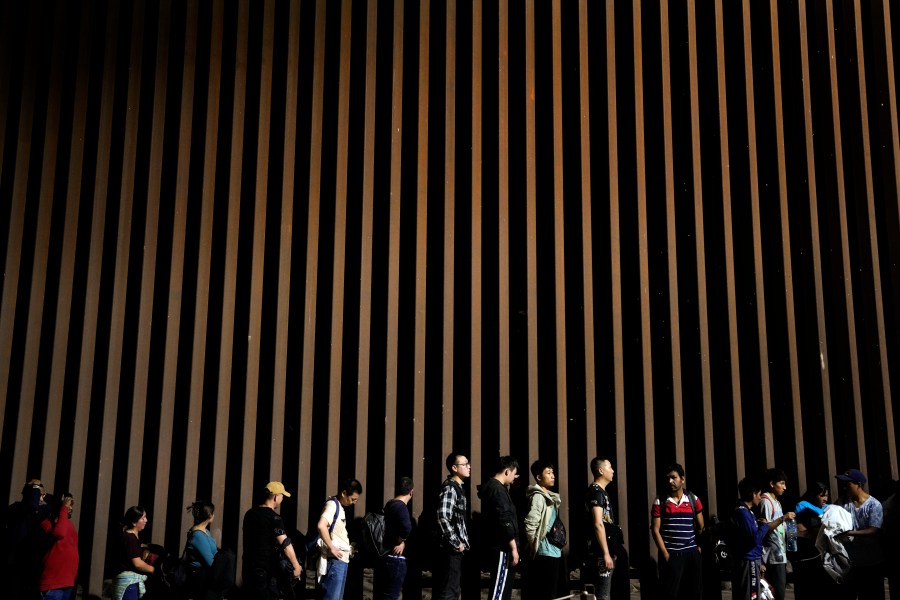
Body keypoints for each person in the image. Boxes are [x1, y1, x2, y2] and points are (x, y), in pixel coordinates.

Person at [729, 478, 792, 600]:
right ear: (753, 494)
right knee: (750, 595)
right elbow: (754, 539)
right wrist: (764, 526)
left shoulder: (748, 512)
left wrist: (761, 561)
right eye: (759, 494)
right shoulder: (743, 513)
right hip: (749, 560)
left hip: (753, 559)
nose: (760, 497)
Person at [650, 463, 704, 600]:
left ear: (682, 479)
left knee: (693, 593)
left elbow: (701, 527)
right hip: (672, 555)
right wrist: (666, 554)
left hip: (691, 555)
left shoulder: (693, 499)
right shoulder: (660, 501)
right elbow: (655, 530)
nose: (670, 481)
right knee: (671, 594)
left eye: (674, 478)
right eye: (668, 478)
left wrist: (698, 547)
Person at [242, 482, 302, 600]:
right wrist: (296, 566)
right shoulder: (274, 518)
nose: (282, 499)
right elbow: (285, 543)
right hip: (264, 572)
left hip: (248, 569)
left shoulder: (249, 514)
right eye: (282, 496)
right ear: (276, 497)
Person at [835, 468, 885, 599]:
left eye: (848, 484)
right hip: (850, 564)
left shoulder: (874, 505)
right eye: (843, 484)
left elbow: (874, 530)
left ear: (859, 484)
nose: (845, 487)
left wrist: (850, 533)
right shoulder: (842, 503)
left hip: (871, 563)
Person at [477, 456, 520, 600]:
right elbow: (504, 519)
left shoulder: (495, 488)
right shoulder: (498, 490)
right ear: (507, 471)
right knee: (499, 592)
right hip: (503, 547)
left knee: (501, 590)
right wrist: (513, 547)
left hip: (500, 545)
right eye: (514, 473)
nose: (515, 477)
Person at [3, 479, 52, 598]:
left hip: (31, 563)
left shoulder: (40, 511)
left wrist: (41, 494)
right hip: (17, 561)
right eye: (37, 493)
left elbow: (51, 506)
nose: (39, 498)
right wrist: (35, 488)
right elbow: (31, 506)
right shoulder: (16, 508)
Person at [524, 459, 564, 600]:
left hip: (553, 551)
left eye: (553, 472)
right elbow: (530, 524)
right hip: (544, 552)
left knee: (551, 592)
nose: (553, 475)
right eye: (548, 473)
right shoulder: (538, 497)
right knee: (546, 593)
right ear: (539, 477)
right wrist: (534, 545)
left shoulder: (548, 496)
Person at [317, 478, 363, 600]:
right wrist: (331, 547)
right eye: (352, 499)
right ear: (344, 493)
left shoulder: (339, 507)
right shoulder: (332, 505)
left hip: (340, 560)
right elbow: (321, 526)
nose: (354, 502)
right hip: (335, 561)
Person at [434, 452, 471, 600]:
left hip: (455, 551)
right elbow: (442, 517)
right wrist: (456, 542)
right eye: (465, 464)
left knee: (453, 591)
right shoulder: (450, 489)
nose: (469, 466)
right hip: (451, 550)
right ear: (454, 468)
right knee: (449, 593)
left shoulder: (458, 488)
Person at [585, 457, 623, 600]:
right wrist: (606, 553)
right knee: (603, 593)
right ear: (601, 470)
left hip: (606, 548)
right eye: (610, 467)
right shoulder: (596, 492)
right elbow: (598, 523)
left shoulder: (601, 491)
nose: (612, 470)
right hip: (601, 551)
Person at [374, 477, 414, 600]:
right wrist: (402, 540)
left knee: (384, 594)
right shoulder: (401, 507)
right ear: (411, 492)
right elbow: (406, 527)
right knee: (391, 595)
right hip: (396, 558)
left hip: (385, 555)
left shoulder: (389, 504)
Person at [759, 468, 796, 600]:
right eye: (781, 483)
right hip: (772, 557)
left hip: (780, 555)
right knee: (776, 594)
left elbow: (780, 528)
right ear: (771, 484)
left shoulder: (777, 502)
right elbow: (765, 528)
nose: (784, 487)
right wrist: (784, 517)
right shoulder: (765, 501)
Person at [792, 482, 832, 600]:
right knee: (804, 588)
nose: (824, 498)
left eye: (826, 495)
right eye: (821, 495)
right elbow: (798, 527)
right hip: (805, 553)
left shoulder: (828, 508)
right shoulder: (803, 505)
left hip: (821, 553)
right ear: (813, 495)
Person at [38, 492, 79, 600]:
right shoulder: (47, 522)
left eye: (71, 505)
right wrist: (63, 508)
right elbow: (60, 533)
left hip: (67, 582)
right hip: (53, 583)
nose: (70, 507)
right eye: (68, 504)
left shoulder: (67, 523)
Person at [114, 506, 156, 600]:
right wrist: (153, 569)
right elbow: (137, 564)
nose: (146, 520)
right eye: (143, 518)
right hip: (128, 585)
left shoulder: (129, 536)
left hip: (128, 584)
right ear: (134, 522)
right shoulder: (130, 538)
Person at [184, 500, 218, 600]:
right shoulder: (199, 536)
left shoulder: (205, 531)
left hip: (204, 578)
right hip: (199, 581)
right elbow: (210, 562)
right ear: (210, 515)